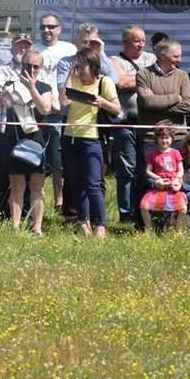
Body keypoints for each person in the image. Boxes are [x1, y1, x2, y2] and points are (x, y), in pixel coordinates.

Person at [59, 47, 121, 237]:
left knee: (93, 183)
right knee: (76, 182)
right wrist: (70, 72)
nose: (81, 69)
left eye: (84, 65)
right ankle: (83, 222)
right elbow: (63, 102)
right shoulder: (74, 80)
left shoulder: (105, 81)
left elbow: (117, 109)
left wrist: (102, 102)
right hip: (70, 138)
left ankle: (100, 224)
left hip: (92, 139)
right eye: (78, 65)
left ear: (93, 65)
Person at [135, 38, 190, 224]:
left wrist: (158, 103)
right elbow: (146, 102)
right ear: (162, 56)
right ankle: (144, 222)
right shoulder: (144, 74)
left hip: (177, 137)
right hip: (150, 137)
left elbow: (189, 106)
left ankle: (176, 221)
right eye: (176, 56)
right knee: (147, 178)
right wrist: (175, 98)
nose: (180, 59)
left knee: (177, 180)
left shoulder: (183, 76)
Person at [0, 49, 51, 235]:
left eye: (36, 66)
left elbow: (45, 109)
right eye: (27, 66)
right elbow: (7, 105)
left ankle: (37, 227)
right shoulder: (10, 85)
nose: (31, 69)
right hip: (15, 138)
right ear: (21, 66)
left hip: (37, 140)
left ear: (41, 68)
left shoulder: (44, 87)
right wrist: (2, 96)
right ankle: (15, 226)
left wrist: (32, 88)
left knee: (37, 186)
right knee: (17, 186)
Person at [111, 25, 157, 222]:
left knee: (148, 168)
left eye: (143, 40)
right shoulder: (115, 60)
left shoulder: (152, 58)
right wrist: (146, 79)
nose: (141, 44)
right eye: (137, 40)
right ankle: (126, 213)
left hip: (149, 124)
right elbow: (119, 83)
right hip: (125, 124)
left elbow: (159, 81)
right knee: (126, 170)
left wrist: (134, 80)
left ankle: (147, 209)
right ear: (125, 41)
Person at [33, 13, 77, 214]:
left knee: (59, 158)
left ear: (59, 28)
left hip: (62, 109)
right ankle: (36, 198)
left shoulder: (69, 49)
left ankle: (59, 201)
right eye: (43, 27)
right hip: (39, 108)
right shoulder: (34, 49)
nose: (46, 30)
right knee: (39, 156)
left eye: (51, 27)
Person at [0, 33, 35, 220]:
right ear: (12, 48)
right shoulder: (2, 70)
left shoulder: (34, 70)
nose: (22, 50)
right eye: (19, 46)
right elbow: (4, 101)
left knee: (28, 171)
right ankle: (4, 213)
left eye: (26, 46)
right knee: (5, 172)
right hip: (6, 127)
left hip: (28, 127)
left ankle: (25, 213)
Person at [138, 127, 187, 231]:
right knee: (144, 205)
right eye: (161, 138)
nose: (164, 141)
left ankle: (178, 230)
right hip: (159, 184)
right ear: (157, 139)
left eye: (167, 138)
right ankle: (149, 229)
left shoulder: (175, 152)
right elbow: (148, 171)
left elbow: (181, 170)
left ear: (172, 139)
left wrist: (177, 179)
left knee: (183, 208)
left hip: (173, 184)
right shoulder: (152, 154)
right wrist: (158, 178)